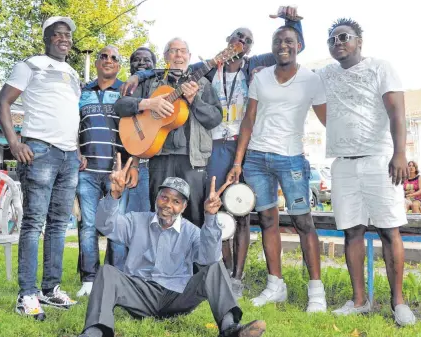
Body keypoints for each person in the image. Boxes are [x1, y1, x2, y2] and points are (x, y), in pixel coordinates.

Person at [120, 6, 304, 299]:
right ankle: (171, 274)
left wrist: (292, 21)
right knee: (183, 213)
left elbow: (292, 50)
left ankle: (219, 279)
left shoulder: (235, 71)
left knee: (219, 213)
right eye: (237, 38)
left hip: (222, 152)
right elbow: (140, 94)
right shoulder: (177, 76)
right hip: (185, 154)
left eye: (247, 40)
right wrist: (143, 89)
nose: (242, 42)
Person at [78, 154, 266, 337]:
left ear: (184, 207)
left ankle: (230, 328)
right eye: (164, 198)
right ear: (157, 198)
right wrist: (114, 195)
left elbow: (208, 258)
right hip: (140, 294)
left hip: (177, 296)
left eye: (176, 201)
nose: (168, 205)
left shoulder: (191, 231)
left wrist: (210, 217)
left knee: (215, 267)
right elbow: (104, 226)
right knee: (107, 272)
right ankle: (94, 332)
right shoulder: (136, 221)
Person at [311, 14, 416, 325]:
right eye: (332, 40)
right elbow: (294, 71)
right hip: (343, 164)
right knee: (352, 231)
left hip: (379, 159)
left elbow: (397, 112)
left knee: (389, 229)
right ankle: (359, 300)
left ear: (359, 41)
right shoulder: (326, 74)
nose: (337, 43)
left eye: (344, 37)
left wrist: (399, 153)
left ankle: (399, 303)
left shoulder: (380, 67)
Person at [226, 20, 327, 311]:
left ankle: (316, 292)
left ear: (298, 46)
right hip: (256, 159)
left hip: (291, 159)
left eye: (288, 41)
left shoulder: (311, 79)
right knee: (268, 221)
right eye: (277, 42)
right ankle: (275, 285)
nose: (283, 46)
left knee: (302, 222)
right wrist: (238, 161)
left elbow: (327, 119)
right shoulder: (260, 77)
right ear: (271, 48)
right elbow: (248, 120)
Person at [0, 16, 80, 320]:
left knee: (59, 224)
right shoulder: (30, 65)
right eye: (57, 35)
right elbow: (2, 102)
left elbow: (68, 115)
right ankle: (27, 294)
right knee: (34, 224)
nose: (64, 39)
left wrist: (77, 150)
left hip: (69, 156)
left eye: (67, 35)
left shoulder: (72, 72)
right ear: (46, 39)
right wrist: (15, 143)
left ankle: (50, 289)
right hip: (39, 151)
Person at [114, 37, 222, 228]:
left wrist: (194, 100)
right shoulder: (151, 83)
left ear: (189, 56)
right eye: (173, 51)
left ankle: (192, 258)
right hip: (160, 158)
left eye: (182, 51)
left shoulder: (203, 84)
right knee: (160, 215)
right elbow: (121, 106)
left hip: (192, 160)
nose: (178, 55)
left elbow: (214, 119)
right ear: (165, 56)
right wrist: (148, 103)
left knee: (193, 217)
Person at [76, 46, 139, 297]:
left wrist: (132, 164)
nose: (108, 60)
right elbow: (72, 124)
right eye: (104, 56)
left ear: (119, 65)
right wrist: (74, 150)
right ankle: (89, 281)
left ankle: (116, 279)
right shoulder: (82, 92)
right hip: (87, 171)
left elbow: (137, 130)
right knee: (88, 226)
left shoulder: (127, 92)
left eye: (114, 58)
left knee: (116, 227)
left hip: (117, 174)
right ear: (98, 62)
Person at [120, 47, 157, 214]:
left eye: (147, 59)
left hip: (151, 164)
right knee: (127, 221)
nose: (141, 62)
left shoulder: (161, 87)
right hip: (125, 165)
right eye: (137, 59)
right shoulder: (123, 89)